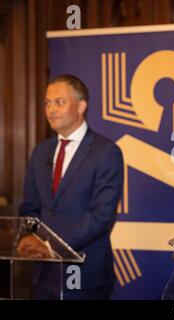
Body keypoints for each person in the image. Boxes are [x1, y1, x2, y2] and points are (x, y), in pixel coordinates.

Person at [18, 74, 124, 299]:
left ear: (81, 106)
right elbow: (30, 207)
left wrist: (50, 246)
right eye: (47, 103)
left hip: (83, 271)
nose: (51, 109)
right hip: (42, 273)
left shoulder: (106, 152)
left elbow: (101, 217)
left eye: (59, 102)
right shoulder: (40, 152)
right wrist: (31, 237)